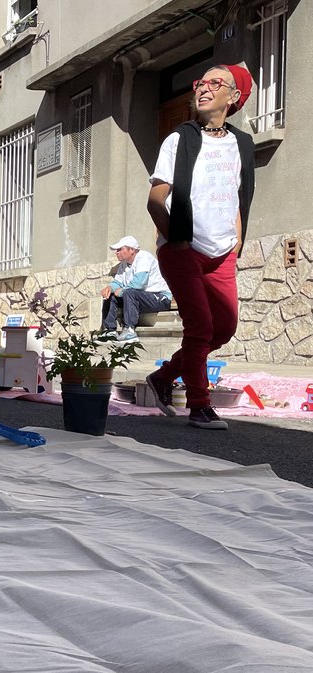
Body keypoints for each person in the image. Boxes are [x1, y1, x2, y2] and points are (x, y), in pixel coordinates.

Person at [145, 64, 255, 431]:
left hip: (222, 251)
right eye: (200, 82)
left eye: (214, 83)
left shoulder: (242, 144)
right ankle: (199, 405)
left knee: (224, 328)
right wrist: (173, 238)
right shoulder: (181, 138)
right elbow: (156, 199)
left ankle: (163, 378)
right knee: (200, 327)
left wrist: (237, 237)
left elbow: (240, 195)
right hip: (183, 247)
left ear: (234, 96)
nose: (203, 88)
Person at [100, 236, 172, 342]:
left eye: (120, 249)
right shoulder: (124, 264)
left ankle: (129, 330)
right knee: (110, 295)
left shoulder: (144, 257)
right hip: (140, 298)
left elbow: (139, 283)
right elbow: (117, 282)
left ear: (132, 250)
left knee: (129, 292)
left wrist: (121, 291)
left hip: (160, 298)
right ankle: (110, 331)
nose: (117, 252)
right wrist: (109, 288)